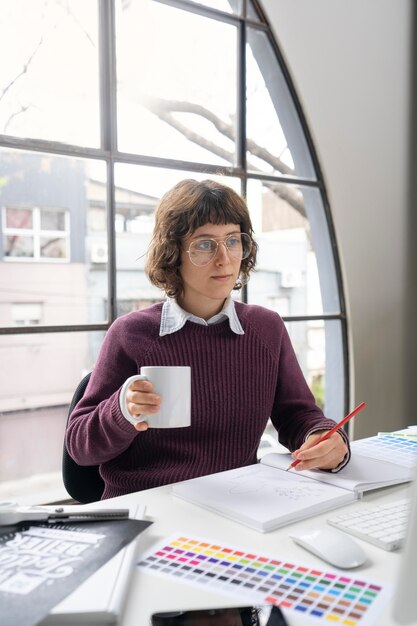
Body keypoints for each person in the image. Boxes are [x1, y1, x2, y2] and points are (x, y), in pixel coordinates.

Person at [66, 179, 349, 499]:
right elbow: (79, 447)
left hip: (236, 503)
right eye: (204, 244)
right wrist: (122, 410)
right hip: (146, 505)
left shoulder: (266, 328)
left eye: (232, 240)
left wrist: (324, 437)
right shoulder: (132, 333)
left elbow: (298, 416)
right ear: (173, 253)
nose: (224, 258)